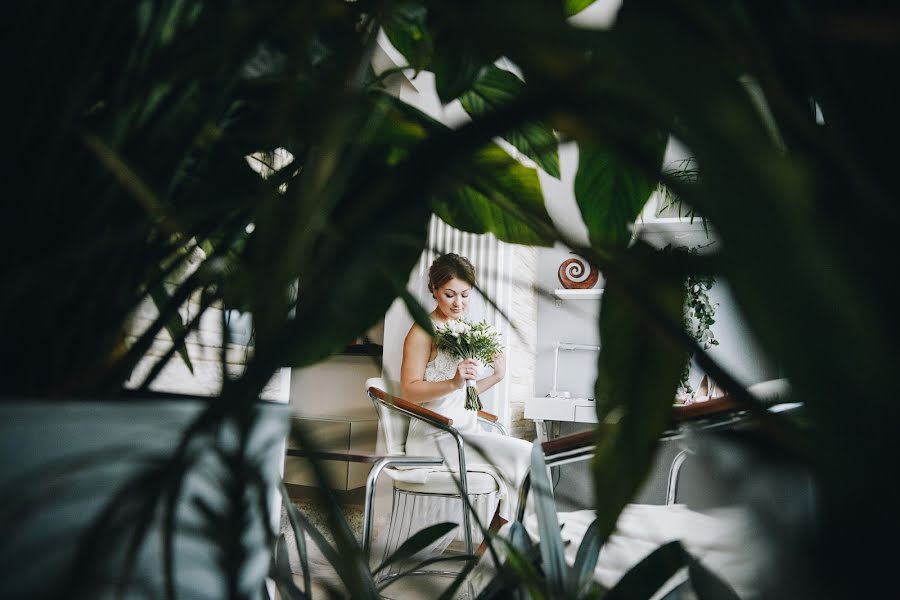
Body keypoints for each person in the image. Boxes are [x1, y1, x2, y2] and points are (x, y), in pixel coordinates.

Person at [400, 253, 532, 536]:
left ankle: (498, 533)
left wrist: (495, 376)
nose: (458, 303)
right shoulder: (422, 331)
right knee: (525, 452)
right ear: (434, 291)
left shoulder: (464, 329)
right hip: (436, 436)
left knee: (526, 458)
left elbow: (463, 394)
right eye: (449, 294)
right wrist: (453, 382)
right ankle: (499, 537)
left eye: (465, 295)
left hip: (464, 430)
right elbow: (408, 391)